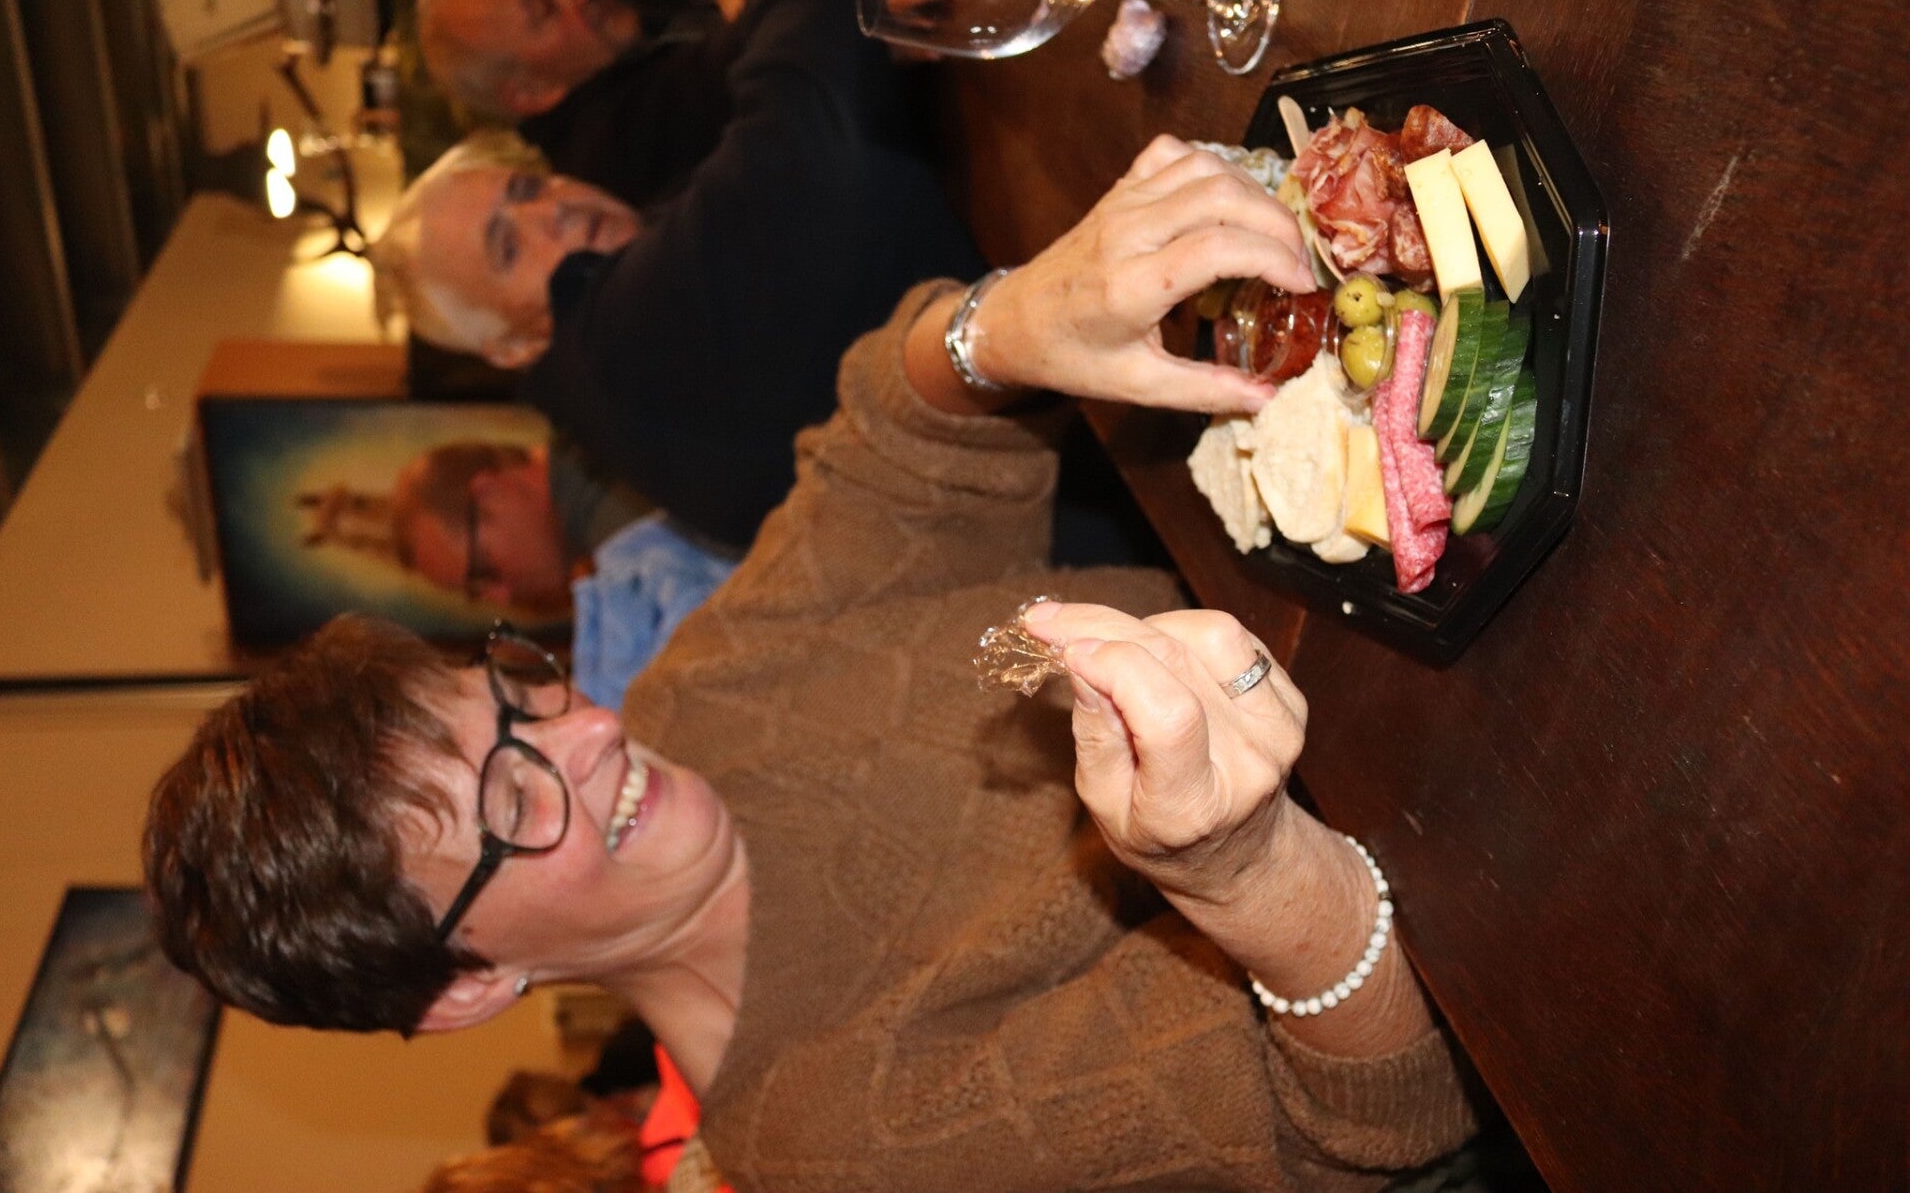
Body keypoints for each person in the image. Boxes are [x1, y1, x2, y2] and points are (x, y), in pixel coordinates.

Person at [145, 138, 1476, 1190]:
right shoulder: (836, 1132)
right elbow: (1384, 1118)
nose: (591, 733)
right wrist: (1241, 871)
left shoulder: (694, 696)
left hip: (1422, 639)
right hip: (1500, 900)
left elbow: (885, 445)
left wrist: (1003, 326)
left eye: (516, 697)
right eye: (511, 799)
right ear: (467, 985)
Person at [381, 0, 987, 551]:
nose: (550, 214)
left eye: (528, 190)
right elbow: (798, 115)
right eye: (507, 249)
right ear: (510, 347)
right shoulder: (621, 344)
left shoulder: (604, 332)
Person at [391, 439, 738, 708]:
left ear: (489, 491)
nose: (503, 596)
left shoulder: (618, 514)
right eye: (478, 595)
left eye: (484, 571)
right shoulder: (596, 467)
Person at [417, 0, 743, 208]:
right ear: (533, 92)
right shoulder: (613, 147)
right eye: (545, 9)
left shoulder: (621, 40)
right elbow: (759, 41)